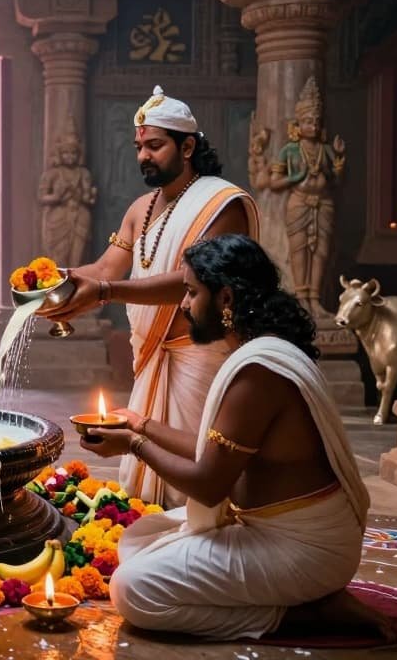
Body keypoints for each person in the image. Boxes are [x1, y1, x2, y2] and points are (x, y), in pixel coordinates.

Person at [80, 234, 389, 642]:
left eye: (191, 293)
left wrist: (135, 446)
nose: (184, 305)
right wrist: (140, 424)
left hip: (305, 548)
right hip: (284, 532)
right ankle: (295, 597)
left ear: (225, 298)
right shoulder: (260, 353)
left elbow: (209, 485)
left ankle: (306, 613)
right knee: (140, 537)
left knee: (134, 590)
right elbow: (217, 450)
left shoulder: (258, 373)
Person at [40, 86, 258, 506]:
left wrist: (104, 293)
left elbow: (193, 282)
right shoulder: (141, 207)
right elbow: (106, 269)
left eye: (155, 146)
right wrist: (55, 283)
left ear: (188, 145)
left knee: (200, 474)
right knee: (147, 491)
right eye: (139, 146)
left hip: (201, 356)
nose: (143, 155)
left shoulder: (220, 204)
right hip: (153, 356)